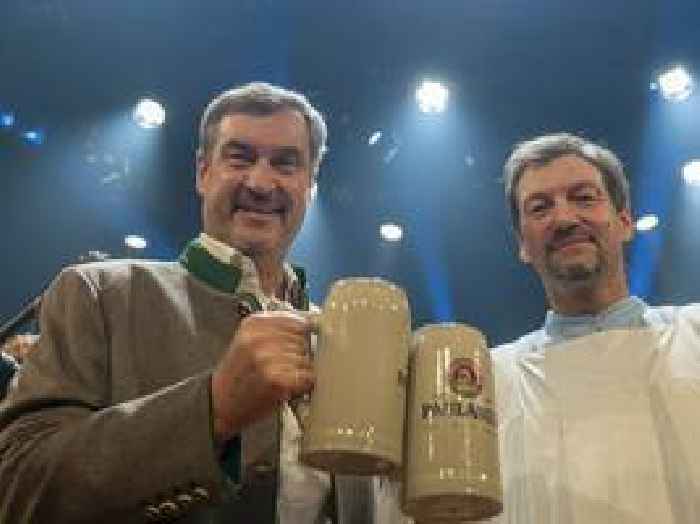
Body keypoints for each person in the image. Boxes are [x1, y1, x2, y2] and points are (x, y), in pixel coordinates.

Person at [0, 82, 373, 523]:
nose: (260, 182)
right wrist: (211, 410)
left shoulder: (346, 343)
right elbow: (17, 487)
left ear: (310, 184)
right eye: (240, 157)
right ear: (203, 172)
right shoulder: (99, 293)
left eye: (285, 163)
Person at [491, 133, 700, 522]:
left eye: (584, 198)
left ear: (624, 221)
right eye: (540, 208)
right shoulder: (491, 381)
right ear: (522, 245)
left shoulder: (695, 334)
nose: (564, 219)